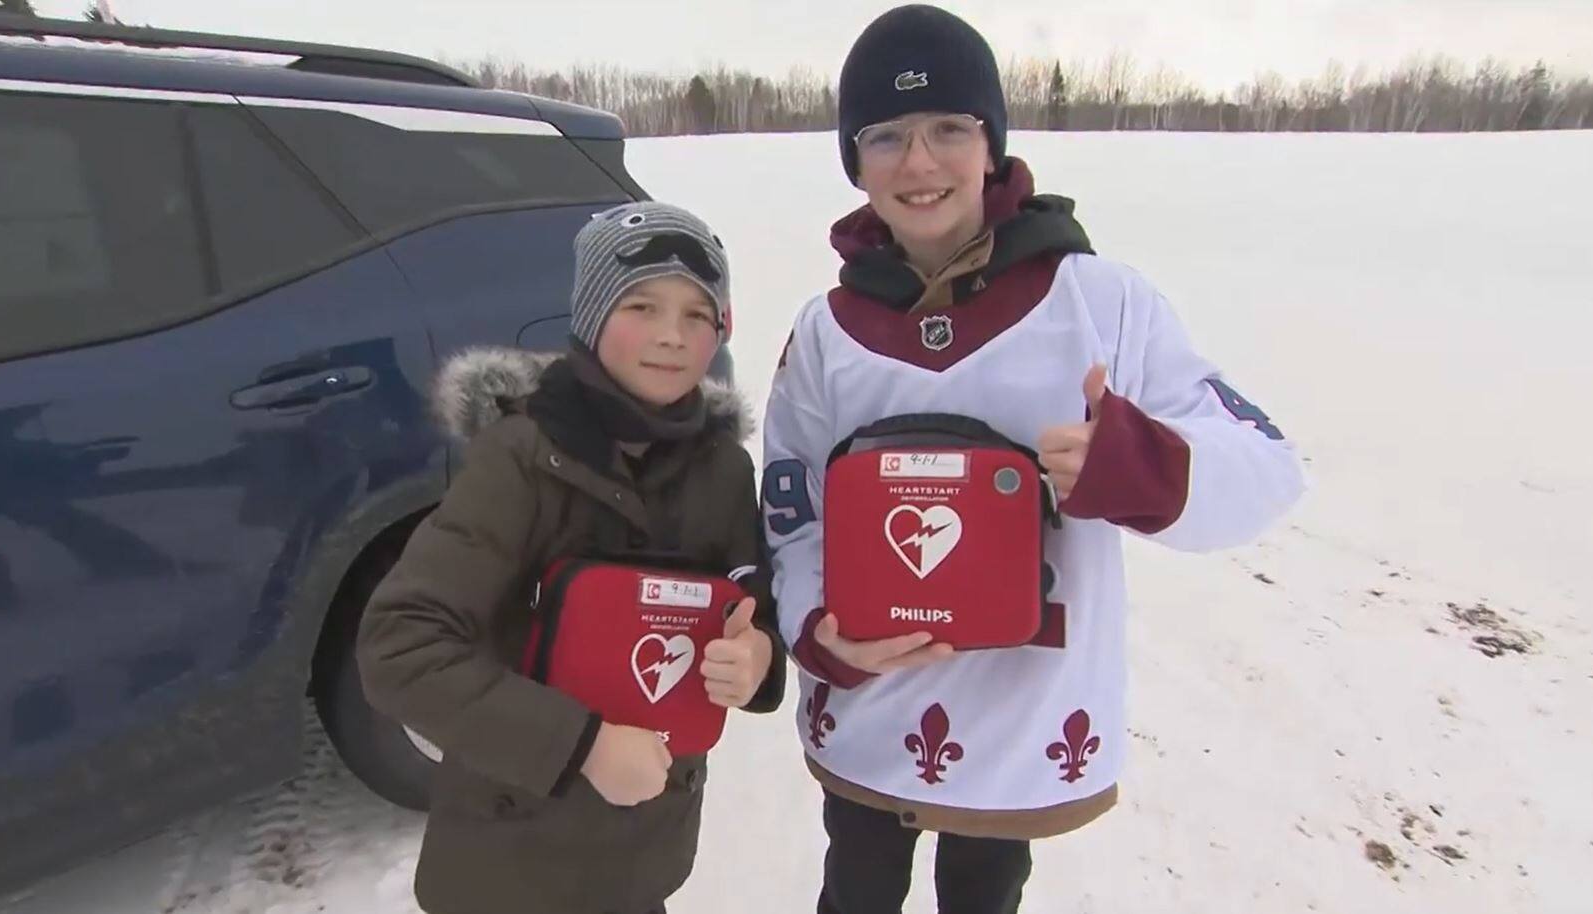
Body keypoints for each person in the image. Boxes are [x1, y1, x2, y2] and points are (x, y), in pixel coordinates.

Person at [760, 6, 1307, 913]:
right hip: (867, 704)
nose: (920, 162)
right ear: (854, 164)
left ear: (992, 144)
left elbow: (1267, 467)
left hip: (1021, 721)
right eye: (885, 136)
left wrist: (1136, 463)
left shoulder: (1097, 301)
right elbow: (791, 499)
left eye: (949, 128)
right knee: (853, 887)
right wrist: (817, 625)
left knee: (983, 892)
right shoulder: (825, 332)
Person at [357, 201, 785, 914]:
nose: (670, 337)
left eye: (696, 315)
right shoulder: (519, 460)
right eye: (641, 306)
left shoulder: (721, 472)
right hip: (508, 865)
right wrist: (580, 744)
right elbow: (400, 647)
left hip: (645, 857)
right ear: (588, 317)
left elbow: (750, 608)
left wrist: (758, 658)